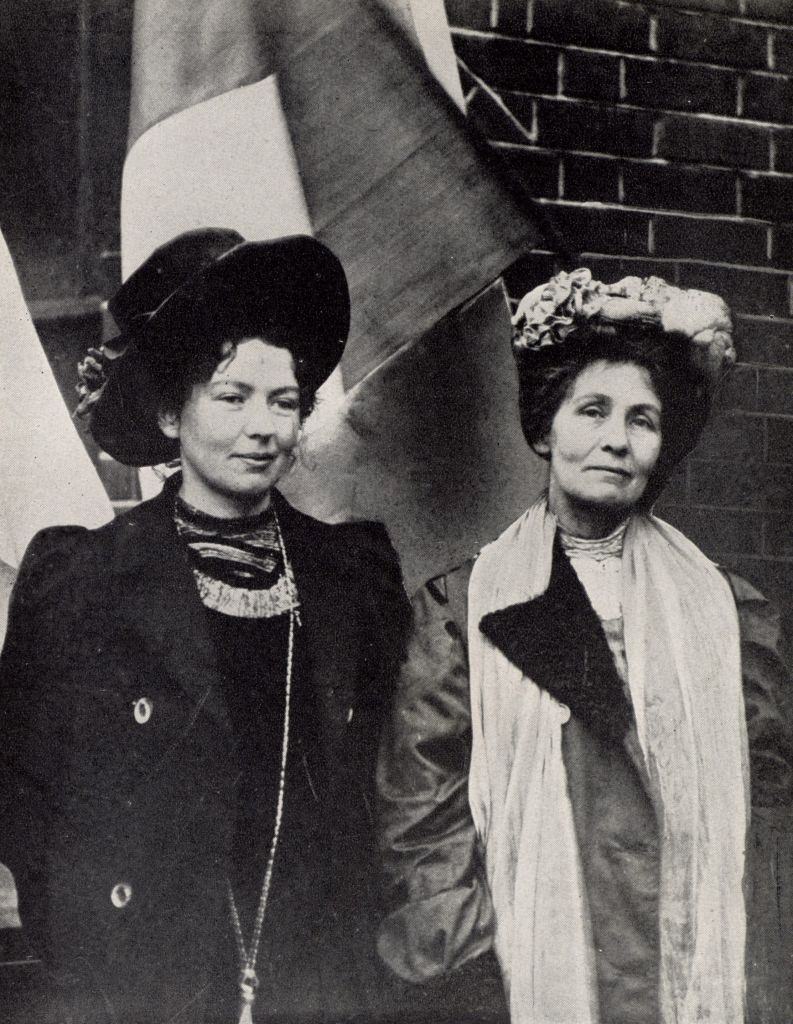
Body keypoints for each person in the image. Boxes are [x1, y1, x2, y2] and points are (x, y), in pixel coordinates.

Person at [0, 228, 410, 1024]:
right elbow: (21, 785)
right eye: (232, 396)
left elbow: (380, 771)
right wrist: (87, 940)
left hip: (314, 970)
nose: (263, 426)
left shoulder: (350, 574)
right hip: (144, 973)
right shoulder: (82, 577)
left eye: (284, 400)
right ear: (168, 411)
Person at [377, 269, 793, 1024]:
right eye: (591, 410)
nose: (614, 439)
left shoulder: (727, 612)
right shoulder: (464, 606)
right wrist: (497, 953)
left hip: (686, 966)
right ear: (543, 428)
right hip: (531, 971)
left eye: (642, 420)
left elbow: (763, 813)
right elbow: (421, 809)